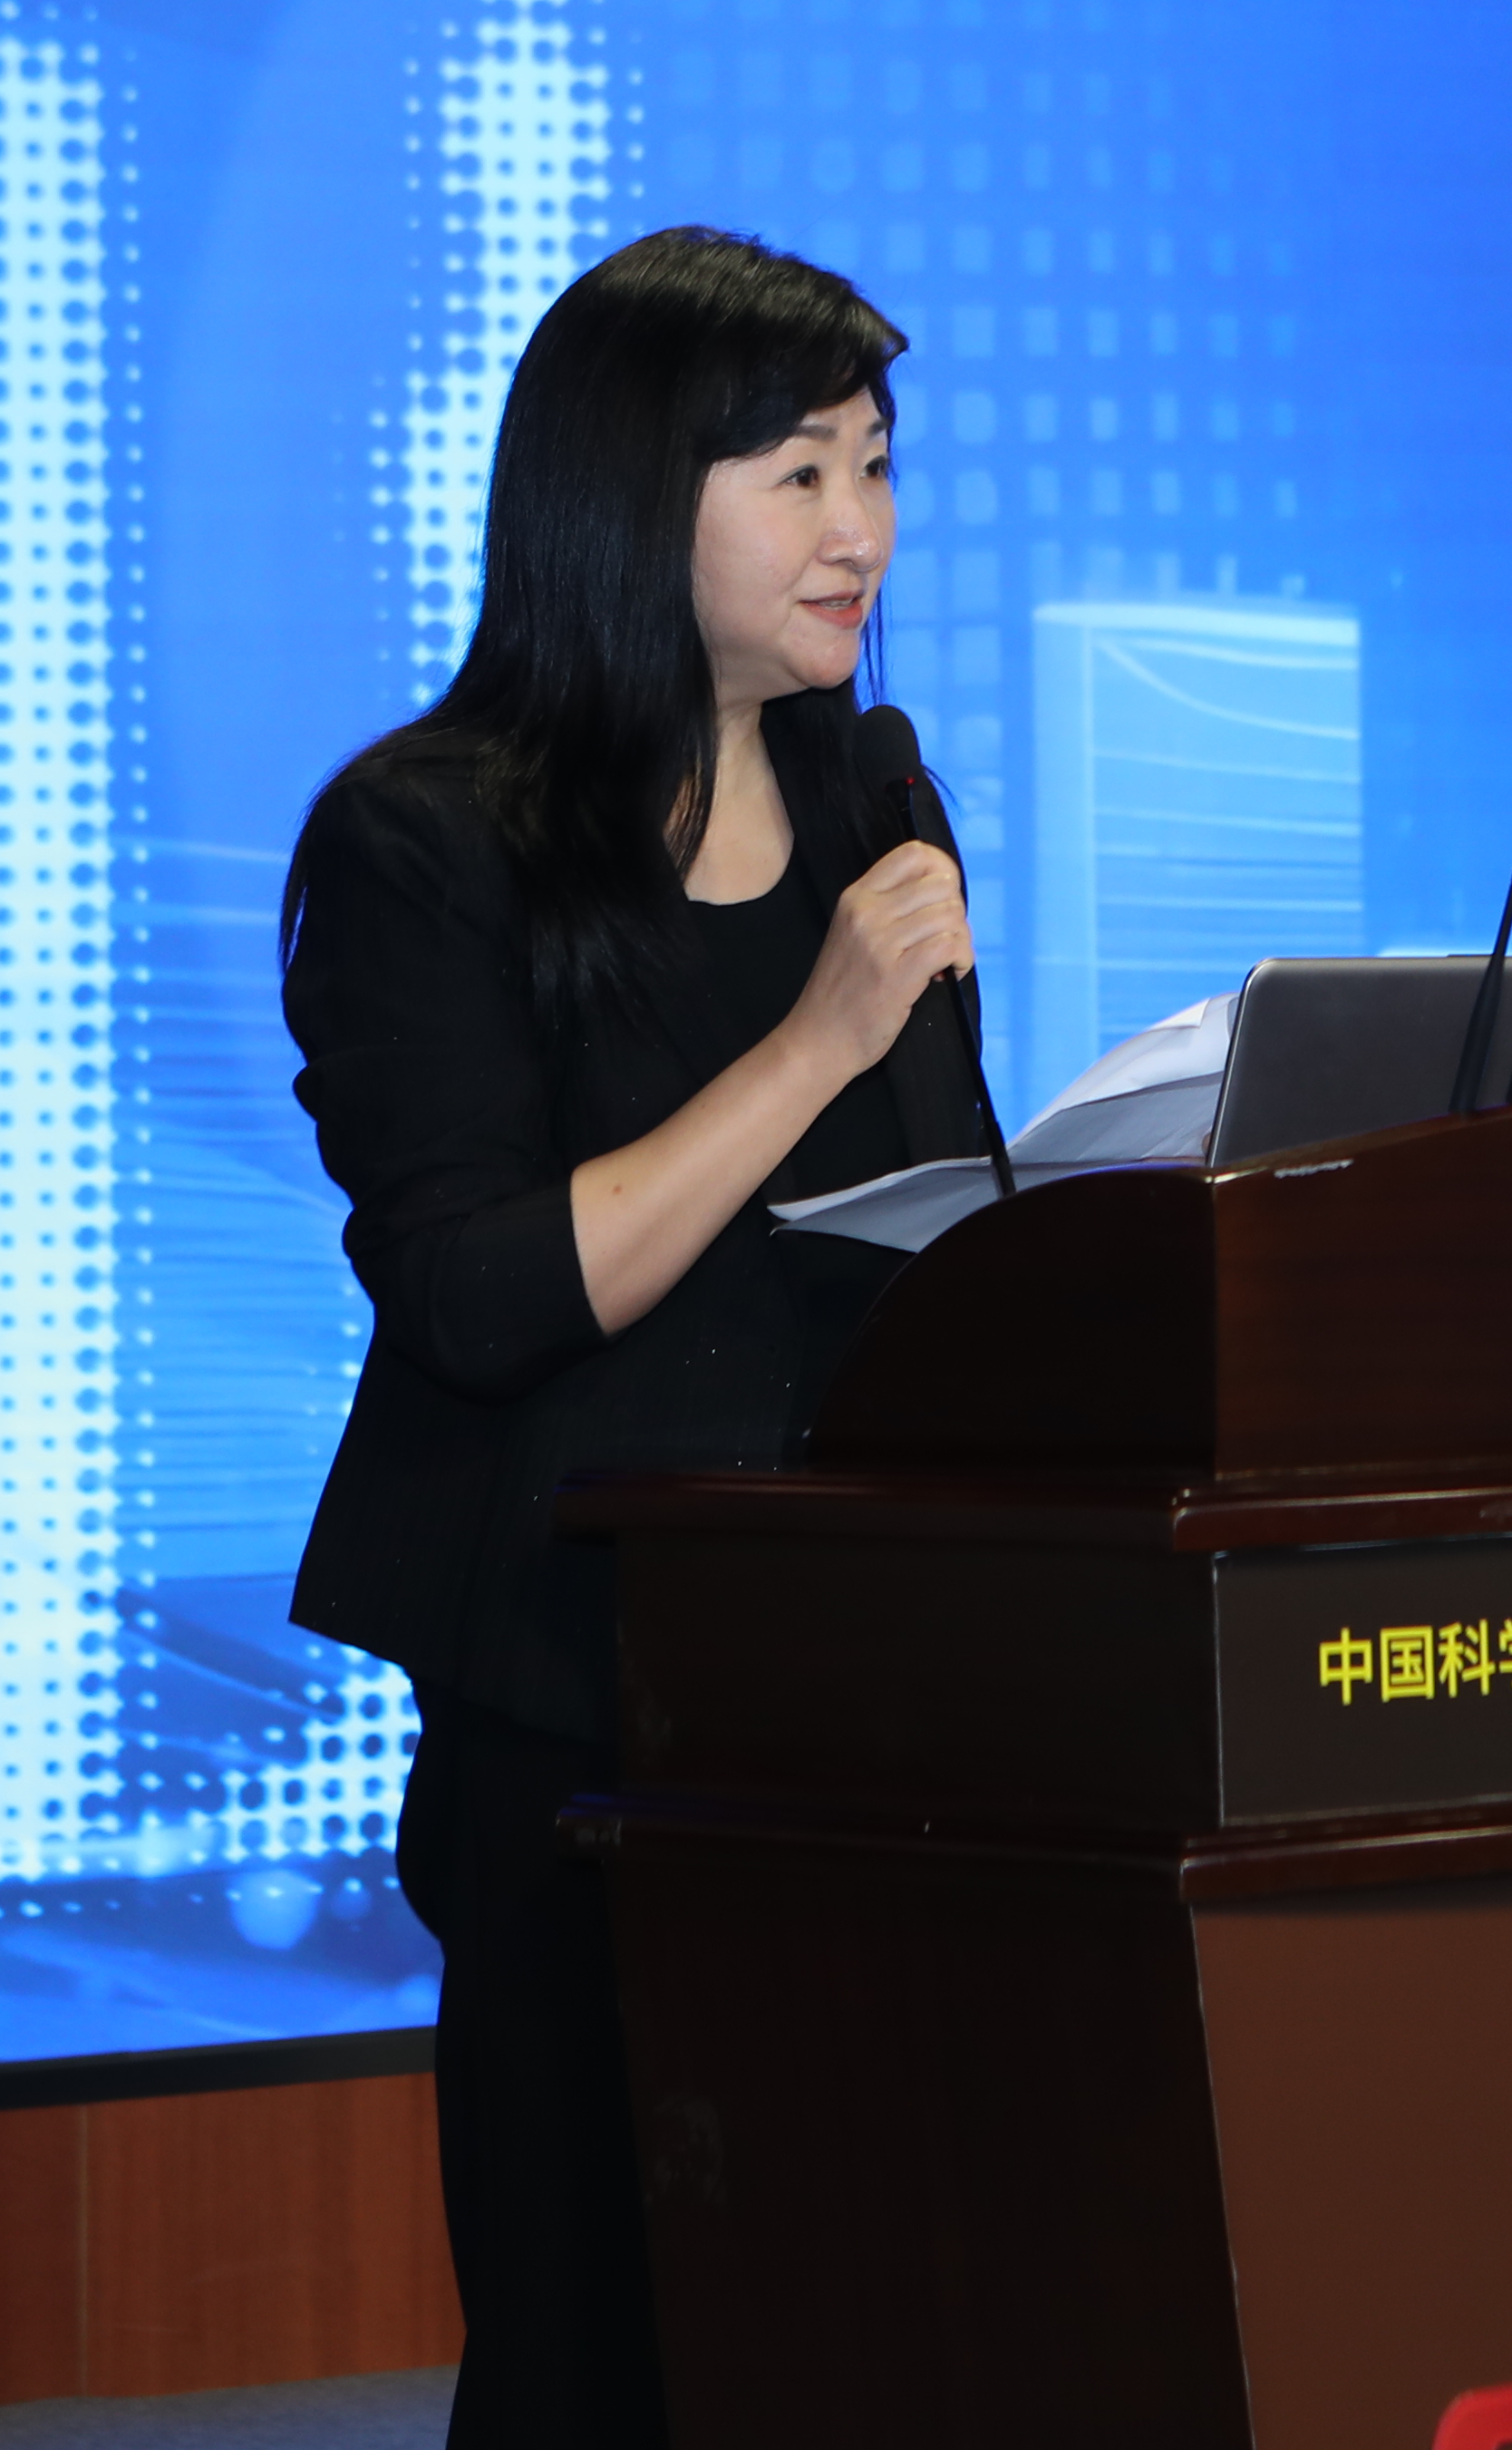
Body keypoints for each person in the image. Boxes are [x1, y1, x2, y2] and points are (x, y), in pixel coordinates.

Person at [277, 227, 988, 2448]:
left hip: (875, 1677)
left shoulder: (874, 794)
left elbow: (933, 1210)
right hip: (582, 1694)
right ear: (624, 499)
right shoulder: (426, 841)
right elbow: (482, 1294)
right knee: (602, 2337)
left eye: (877, 464)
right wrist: (818, 1034)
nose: (861, 531)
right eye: (799, 475)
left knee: (878, 2321)